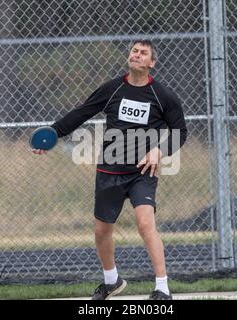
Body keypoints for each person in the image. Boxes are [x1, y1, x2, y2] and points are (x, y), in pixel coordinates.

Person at [33, 40, 187, 300]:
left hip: (142, 171)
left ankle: (162, 288)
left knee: (145, 223)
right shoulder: (113, 89)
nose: (137, 56)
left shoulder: (163, 96)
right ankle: (111, 281)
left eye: (143, 53)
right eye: (134, 52)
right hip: (110, 170)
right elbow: (83, 112)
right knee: (102, 231)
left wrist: (159, 151)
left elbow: (180, 131)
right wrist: (54, 133)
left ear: (152, 63)